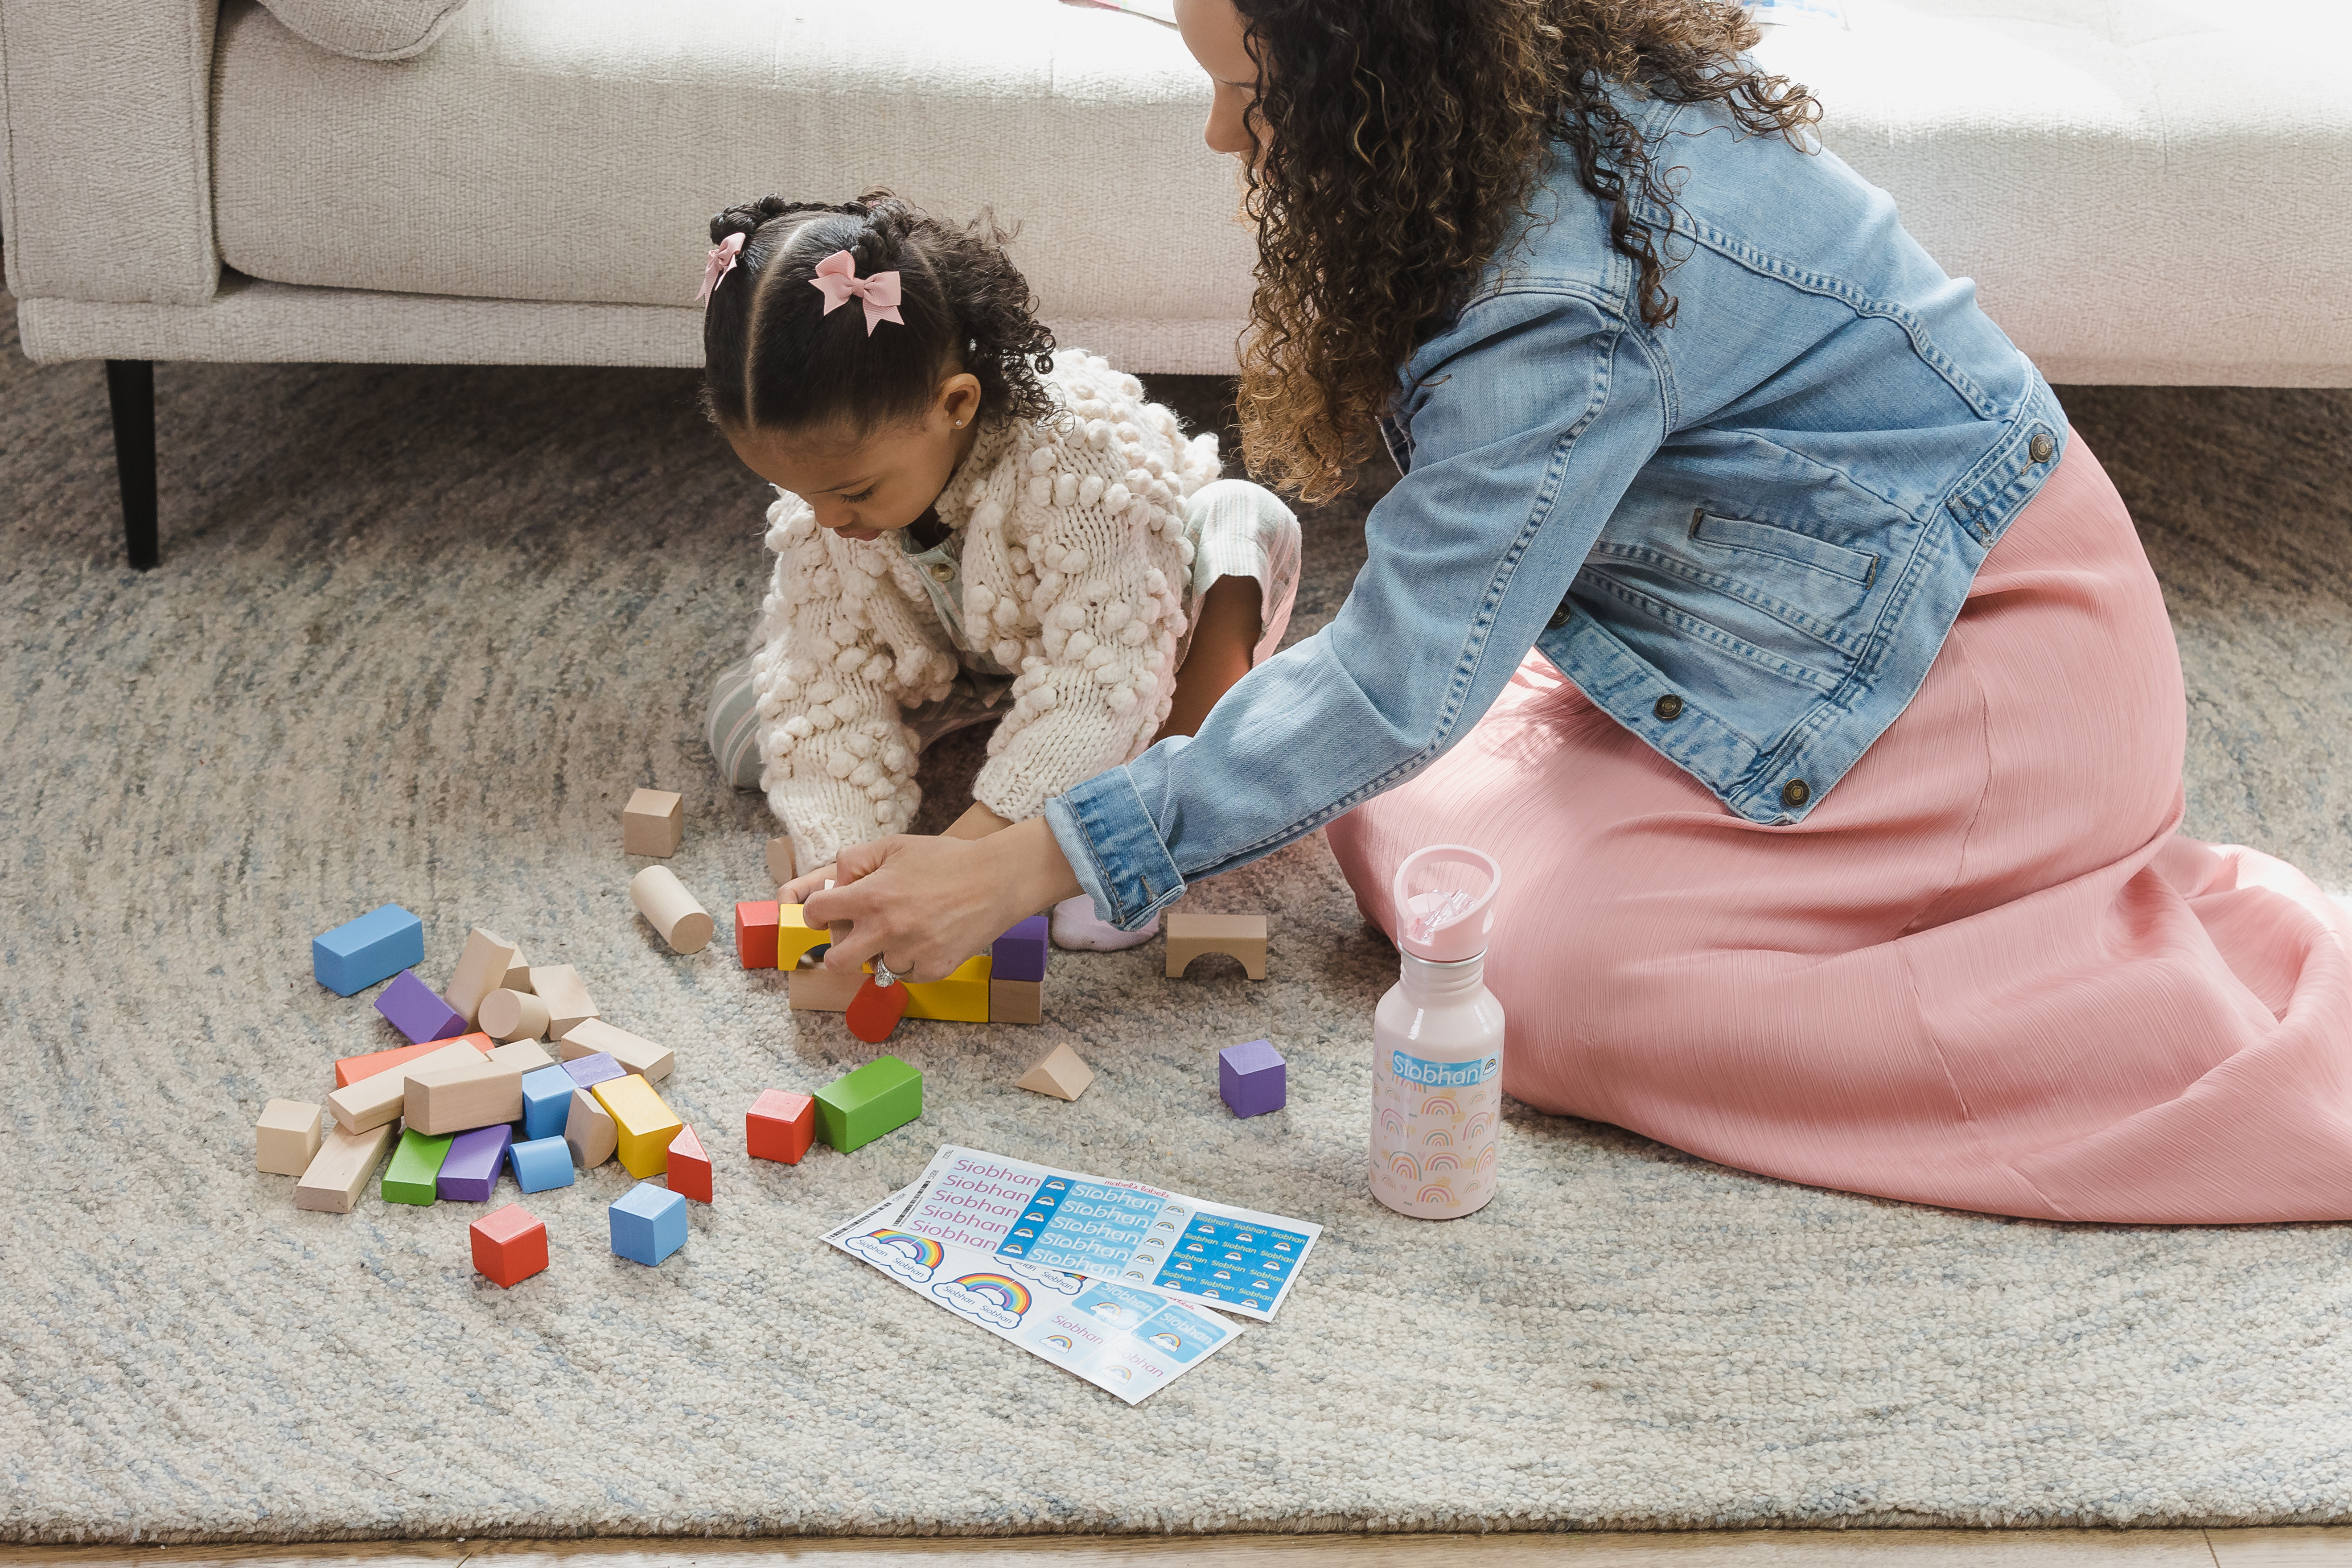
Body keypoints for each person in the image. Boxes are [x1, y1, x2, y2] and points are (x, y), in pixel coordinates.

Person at [794, 3, 2352, 1224]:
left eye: (1249, 96)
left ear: (1368, 78)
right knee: (1395, 828)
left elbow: (1403, 678)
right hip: (1789, 630)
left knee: (1530, 993)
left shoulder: (1560, 294)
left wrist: (1022, 855)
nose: (1220, 133)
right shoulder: (1516, 98)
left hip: (1990, 674)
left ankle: (2117, 988)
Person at [699, 192, 1298, 951]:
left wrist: (967, 855)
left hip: (1143, 633)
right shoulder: (828, 516)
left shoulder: (1079, 457)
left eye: (852, 493)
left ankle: (1152, 822)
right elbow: (825, 690)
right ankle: (1011, 742)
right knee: (759, 724)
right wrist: (848, 864)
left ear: (956, 405)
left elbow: (1101, 680)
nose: (828, 520)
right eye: (801, 492)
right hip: (976, 663)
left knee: (1240, 518)